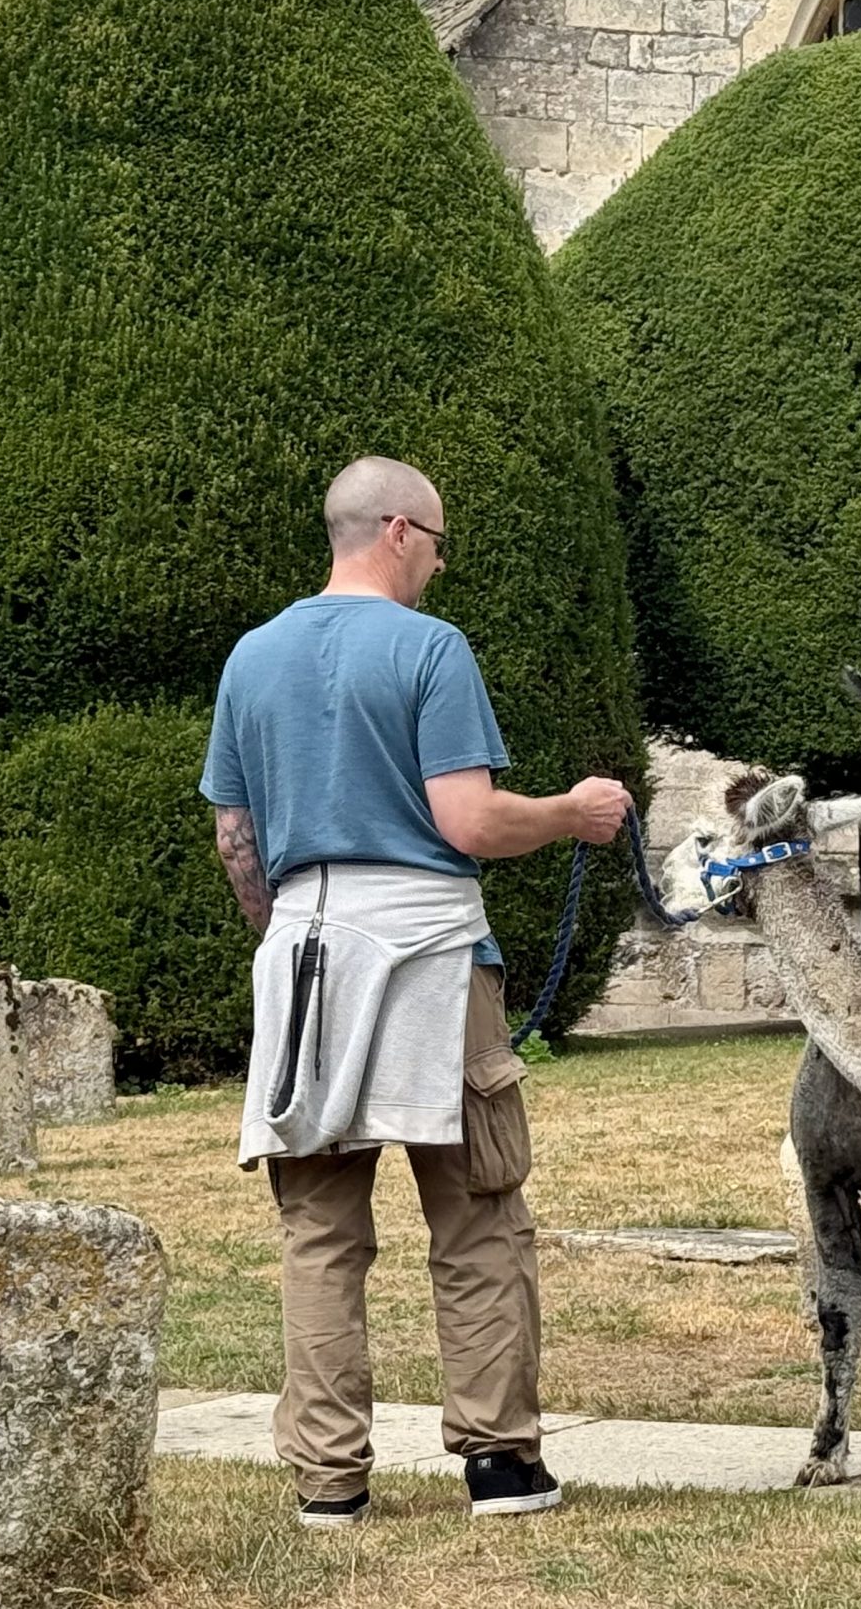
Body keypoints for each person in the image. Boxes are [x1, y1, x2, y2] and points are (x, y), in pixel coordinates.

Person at [202, 456, 629, 1530]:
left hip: (301, 946)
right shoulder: (430, 649)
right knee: (478, 1208)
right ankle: (498, 1462)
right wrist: (571, 814)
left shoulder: (251, 657)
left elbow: (234, 836)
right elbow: (471, 825)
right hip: (429, 949)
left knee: (320, 1228)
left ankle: (327, 1479)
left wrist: (286, 936)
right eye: (437, 543)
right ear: (398, 530)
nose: (439, 565)